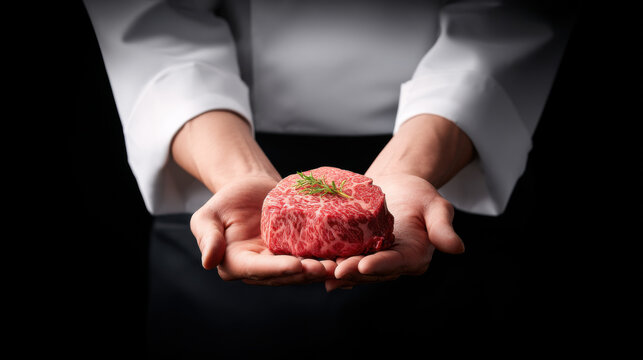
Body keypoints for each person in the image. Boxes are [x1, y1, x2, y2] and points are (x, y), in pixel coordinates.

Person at [82, 0, 575, 356]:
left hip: (447, 160)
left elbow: (511, 16)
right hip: (216, 161)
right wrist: (239, 173)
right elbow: (152, 22)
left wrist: (407, 168)